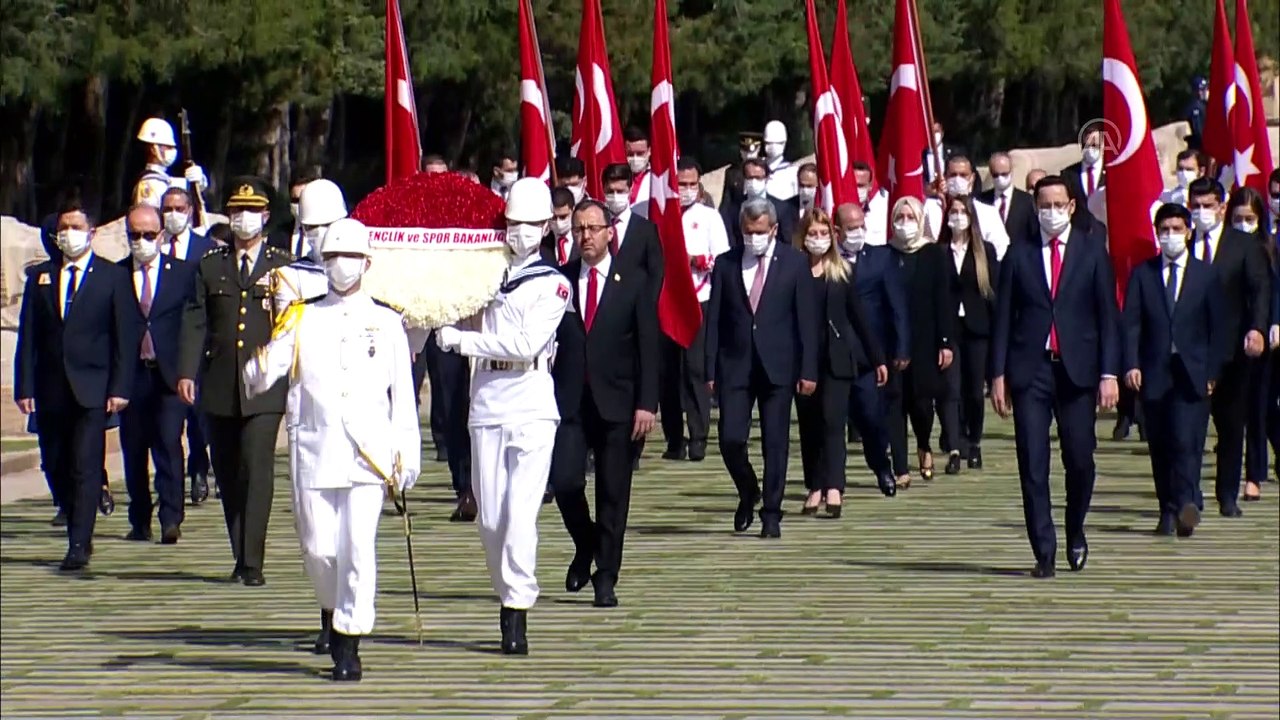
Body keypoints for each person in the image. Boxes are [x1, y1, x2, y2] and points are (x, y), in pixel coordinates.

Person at [243, 217, 418, 681]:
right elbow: (269, 366)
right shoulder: (303, 317)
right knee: (320, 549)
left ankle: (349, 639)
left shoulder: (386, 321)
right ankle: (332, 606)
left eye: (351, 256)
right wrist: (255, 365)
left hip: (368, 455)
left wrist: (406, 454)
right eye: (334, 256)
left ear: (367, 262)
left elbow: (403, 396)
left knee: (358, 547)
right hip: (316, 450)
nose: (342, 264)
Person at [434, 177, 571, 655]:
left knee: (519, 515)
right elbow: (455, 308)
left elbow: (526, 343)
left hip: (530, 400)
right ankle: (507, 591)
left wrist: (464, 341)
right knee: (490, 519)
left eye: (530, 224)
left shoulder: (553, 283)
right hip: (487, 400)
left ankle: (516, 609)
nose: (520, 232)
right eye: (513, 223)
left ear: (546, 226)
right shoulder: (485, 273)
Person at [990, 175, 1121, 578]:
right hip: (1031, 370)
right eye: (1044, 205)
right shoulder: (1019, 253)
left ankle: (1075, 528)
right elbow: (1003, 318)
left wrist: (1109, 372)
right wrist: (997, 373)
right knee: (1032, 461)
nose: (1051, 211)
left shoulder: (1092, 252)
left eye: (1058, 204)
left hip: (1077, 371)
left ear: (1071, 206)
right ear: (1035, 207)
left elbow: (1108, 318)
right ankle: (1043, 551)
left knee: (1079, 458)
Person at [178, 177, 291, 586]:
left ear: (266, 216)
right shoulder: (211, 265)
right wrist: (186, 371)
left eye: (252, 211)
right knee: (226, 471)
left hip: (265, 385)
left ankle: (253, 561)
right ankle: (239, 551)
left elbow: (292, 323)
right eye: (237, 211)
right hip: (220, 380)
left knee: (256, 467)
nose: (244, 218)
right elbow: (196, 320)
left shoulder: (282, 264)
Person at [14, 202, 137, 570]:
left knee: (85, 464)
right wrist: (24, 386)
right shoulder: (41, 277)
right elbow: (29, 337)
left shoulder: (111, 277)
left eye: (76, 227)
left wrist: (120, 387)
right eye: (63, 228)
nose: (68, 234)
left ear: (91, 232)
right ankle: (69, 510)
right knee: (55, 462)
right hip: (51, 388)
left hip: (92, 387)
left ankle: (79, 542)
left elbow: (123, 337)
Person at [553, 199, 659, 607]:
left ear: (609, 233)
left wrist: (647, 402)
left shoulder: (632, 281)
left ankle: (606, 574)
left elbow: (648, 346)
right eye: (579, 229)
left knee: (613, 493)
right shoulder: (560, 280)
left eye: (593, 228)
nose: (586, 236)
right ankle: (586, 543)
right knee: (565, 481)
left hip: (619, 402)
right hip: (571, 402)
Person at [705, 197, 818, 538]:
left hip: (778, 366)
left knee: (775, 442)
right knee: (730, 438)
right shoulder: (725, 264)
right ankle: (748, 489)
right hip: (735, 365)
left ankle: (771, 512)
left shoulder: (794, 263)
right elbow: (714, 320)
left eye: (760, 232)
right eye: (748, 232)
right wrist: (709, 369)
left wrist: (809, 369)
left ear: (773, 229)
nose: (754, 238)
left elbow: (806, 321)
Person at [1123, 203, 1225, 537]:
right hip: (1155, 372)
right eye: (1164, 230)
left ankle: (1186, 503)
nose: (1170, 235)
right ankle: (1167, 509)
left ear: (1188, 232)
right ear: (1156, 233)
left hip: (1192, 373)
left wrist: (1212, 372)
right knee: (1161, 444)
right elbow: (1132, 324)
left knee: (1186, 441)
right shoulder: (1143, 274)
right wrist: (1131, 364)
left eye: (1177, 229)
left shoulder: (1206, 274)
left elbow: (1218, 328)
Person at [793, 209, 888, 517]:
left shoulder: (841, 271)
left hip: (837, 359)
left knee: (833, 421)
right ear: (803, 237)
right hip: (803, 362)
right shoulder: (793, 271)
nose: (818, 239)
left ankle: (835, 485)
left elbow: (859, 318)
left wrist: (877, 358)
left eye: (823, 233)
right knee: (810, 425)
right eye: (812, 234)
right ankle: (815, 485)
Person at [1186, 178, 1269, 516]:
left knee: (1231, 425)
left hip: (1232, 351)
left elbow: (1259, 289)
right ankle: (1189, 494)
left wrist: (1258, 328)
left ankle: (1227, 495)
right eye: (1195, 206)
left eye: (1207, 206)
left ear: (1222, 208)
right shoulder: (1181, 240)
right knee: (1187, 428)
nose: (1201, 212)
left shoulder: (1243, 245)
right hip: (1189, 350)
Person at [117, 204, 198, 545]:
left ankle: (171, 518)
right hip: (132, 375)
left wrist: (188, 371)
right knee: (134, 448)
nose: (142, 241)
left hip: (169, 375)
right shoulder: (117, 275)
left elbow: (193, 324)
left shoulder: (182, 273)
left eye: (148, 234)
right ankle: (140, 520)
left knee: (168, 443)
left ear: (161, 235)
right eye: (135, 235)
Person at [660, 158, 729, 461]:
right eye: (681, 184)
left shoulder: (709, 217)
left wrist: (695, 260)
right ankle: (674, 438)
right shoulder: (660, 214)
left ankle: (698, 435)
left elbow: (722, 259)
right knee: (668, 371)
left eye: (691, 184)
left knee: (695, 368)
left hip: (699, 298)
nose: (686, 190)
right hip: (666, 300)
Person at [886, 197, 956, 486]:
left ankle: (924, 444)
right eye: (899, 217)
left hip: (926, 339)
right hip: (893, 340)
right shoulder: (886, 254)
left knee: (922, 404)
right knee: (894, 403)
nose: (905, 223)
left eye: (910, 217)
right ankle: (901, 467)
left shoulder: (934, 254)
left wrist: (946, 341)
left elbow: (944, 300)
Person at [835, 203, 908, 474]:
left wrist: (901, 347)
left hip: (870, 354)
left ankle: (882, 467)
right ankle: (833, 482)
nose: (857, 232)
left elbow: (897, 307)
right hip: (836, 352)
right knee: (833, 423)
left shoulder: (881, 258)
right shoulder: (828, 261)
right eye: (851, 228)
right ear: (837, 230)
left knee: (871, 417)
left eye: (860, 226)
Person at [158, 187, 216, 505]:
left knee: (198, 419)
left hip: (198, 345)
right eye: (167, 208)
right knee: (168, 423)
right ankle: (170, 484)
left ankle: (199, 469)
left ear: (190, 210)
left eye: (179, 208)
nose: (173, 215)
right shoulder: (153, 246)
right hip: (164, 346)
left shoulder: (206, 249)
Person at [1225, 187, 1275, 502]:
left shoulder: (1268, 248)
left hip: (1260, 336)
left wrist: (1268, 325)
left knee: (1258, 407)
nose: (1244, 224)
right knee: (1231, 411)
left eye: (1250, 219)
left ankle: (1254, 474)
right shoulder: (1222, 248)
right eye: (1238, 218)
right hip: (1226, 337)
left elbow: (1270, 292)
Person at [923, 155, 1009, 260]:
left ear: (972, 178)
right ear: (945, 177)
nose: (957, 179)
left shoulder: (988, 212)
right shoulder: (930, 208)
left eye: (963, 175)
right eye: (953, 175)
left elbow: (1000, 248)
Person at [132, 117, 206, 211]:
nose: (173, 151)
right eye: (168, 147)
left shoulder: (162, 178)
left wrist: (200, 181)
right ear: (153, 149)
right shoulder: (148, 184)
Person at [979, 152, 1036, 243]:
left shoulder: (1027, 201)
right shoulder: (981, 200)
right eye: (995, 175)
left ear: (1011, 171)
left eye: (1004, 174)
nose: (1000, 178)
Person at [1062, 126, 1106, 228]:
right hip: (1079, 231)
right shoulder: (1068, 174)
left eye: (1094, 145)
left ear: (1103, 146)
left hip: (1105, 231)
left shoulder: (1112, 173)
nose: (1090, 149)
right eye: (1086, 145)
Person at [541, 187, 578, 266]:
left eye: (563, 217)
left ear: (573, 211)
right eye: (553, 218)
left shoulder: (582, 240)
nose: (558, 222)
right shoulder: (542, 244)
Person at [623, 127, 652, 215]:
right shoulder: (614, 176)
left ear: (649, 151)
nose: (635, 158)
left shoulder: (657, 179)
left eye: (640, 153)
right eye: (630, 154)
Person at [1184, 76, 1209, 151]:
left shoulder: (1203, 105)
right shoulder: (1196, 108)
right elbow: (1198, 131)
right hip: (1198, 148)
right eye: (1204, 89)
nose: (1207, 91)